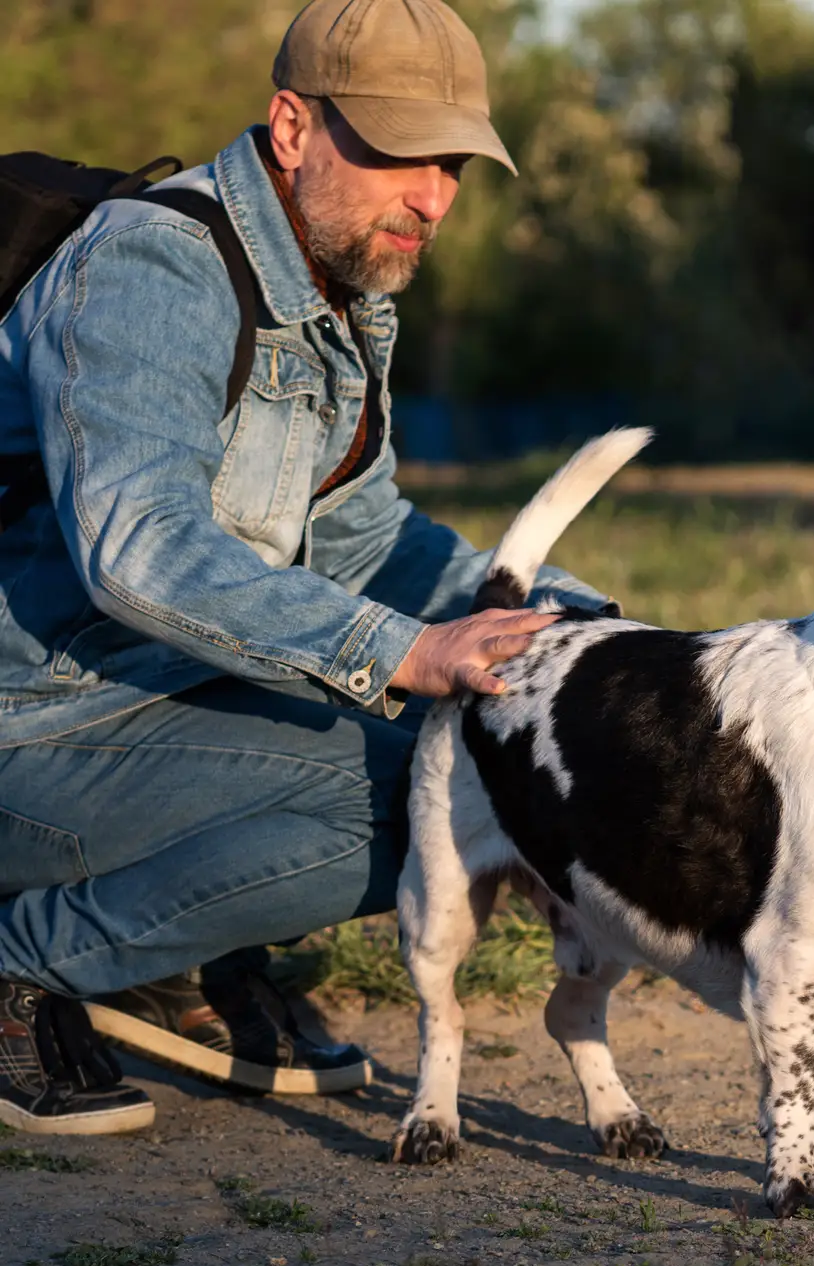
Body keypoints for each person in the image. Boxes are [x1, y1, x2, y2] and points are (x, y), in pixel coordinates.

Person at [0, 0, 609, 1134]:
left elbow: (366, 538)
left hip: (143, 706)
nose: (431, 196)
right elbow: (138, 547)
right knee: (419, 795)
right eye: (396, 152)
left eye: (454, 164)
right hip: (33, 719)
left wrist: (583, 639)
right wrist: (410, 652)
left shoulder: (337, 278)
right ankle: (25, 960)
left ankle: (166, 956)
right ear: (292, 125)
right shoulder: (154, 266)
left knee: (469, 755)